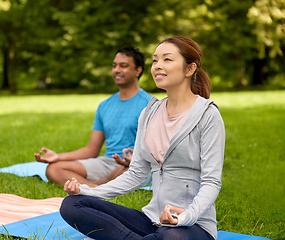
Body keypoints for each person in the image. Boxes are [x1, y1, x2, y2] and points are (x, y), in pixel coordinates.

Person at [60, 36, 225, 240]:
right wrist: (88, 191)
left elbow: (211, 182)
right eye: (155, 60)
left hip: (192, 225)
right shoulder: (149, 113)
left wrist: (186, 217)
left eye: (167, 59)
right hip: (151, 220)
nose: (157, 66)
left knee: (172, 238)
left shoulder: (207, 114)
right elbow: (136, 174)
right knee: (72, 204)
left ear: (189, 69)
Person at [34, 46, 152, 187]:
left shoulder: (149, 104)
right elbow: (91, 149)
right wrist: (58, 157)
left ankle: (96, 186)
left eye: (124, 66)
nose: (117, 70)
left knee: (126, 172)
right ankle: (96, 188)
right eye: (114, 66)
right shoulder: (105, 106)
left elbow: (157, 150)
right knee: (54, 168)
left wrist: (134, 160)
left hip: (135, 165)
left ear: (138, 70)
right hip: (107, 162)